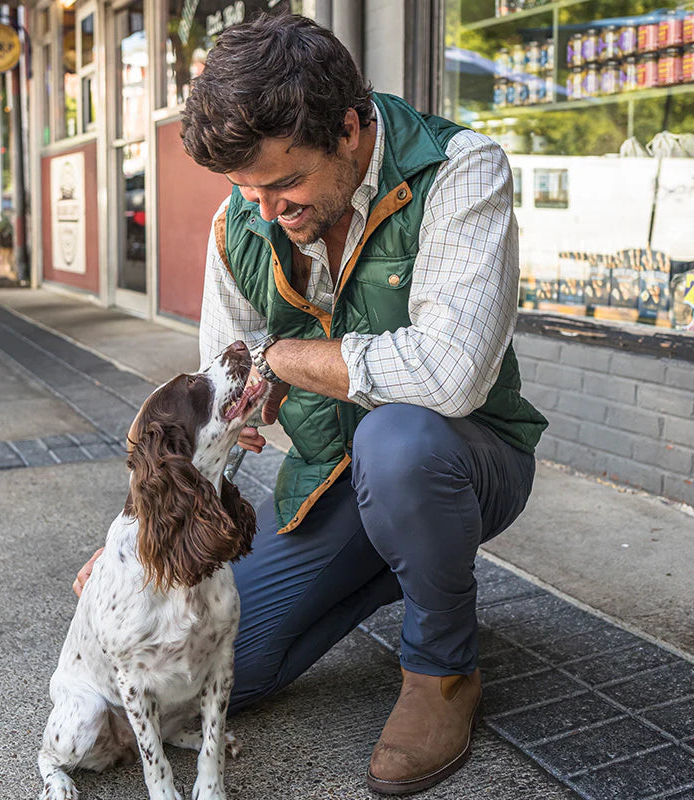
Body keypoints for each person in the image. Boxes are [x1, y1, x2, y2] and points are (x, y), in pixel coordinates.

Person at [76, 13, 547, 796]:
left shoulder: (463, 171)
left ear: (352, 128)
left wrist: (283, 358)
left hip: (463, 456)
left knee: (399, 444)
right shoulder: (245, 221)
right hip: (334, 478)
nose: (264, 211)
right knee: (230, 665)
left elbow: (452, 375)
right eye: (246, 189)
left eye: (285, 184)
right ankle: (410, 557)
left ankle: (441, 669)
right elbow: (223, 395)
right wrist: (133, 537)